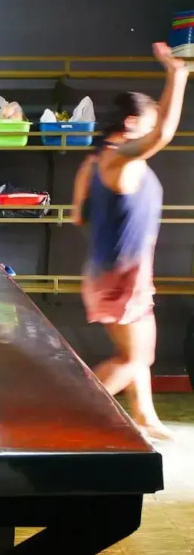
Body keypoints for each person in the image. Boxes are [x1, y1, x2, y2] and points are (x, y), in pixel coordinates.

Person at [72, 42, 189, 441]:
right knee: (136, 357)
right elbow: (164, 135)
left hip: (117, 273)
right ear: (132, 123)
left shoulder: (95, 161)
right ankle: (68, 413)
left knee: (138, 354)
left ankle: (144, 417)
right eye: (149, 123)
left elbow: (78, 215)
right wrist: (177, 75)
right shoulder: (119, 159)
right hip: (120, 277)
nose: (153, 131)